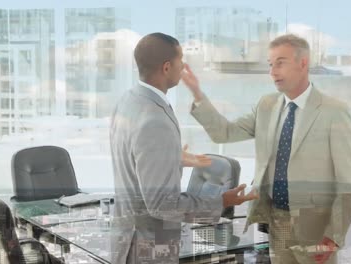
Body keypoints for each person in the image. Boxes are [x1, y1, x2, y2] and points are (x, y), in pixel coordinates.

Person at [182, 34, 351, 264]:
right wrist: (198, 94)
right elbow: (224, 132)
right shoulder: (266, 105)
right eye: (270, 64)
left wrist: (334, 237)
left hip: (316, 231)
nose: (273, 71)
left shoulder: (334, 112)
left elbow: (349, 183)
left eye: (280, 62)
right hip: (276, 224)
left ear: (303, 63)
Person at [109, 32, 258, 264]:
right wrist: (223, 201)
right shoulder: (155, 119)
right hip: (148, 248)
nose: (184, 65)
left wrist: (172, 158)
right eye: (181, 60)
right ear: (167, 67)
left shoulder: (128, 101)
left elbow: (135, 158)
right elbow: (161, 204)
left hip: (127, 240)